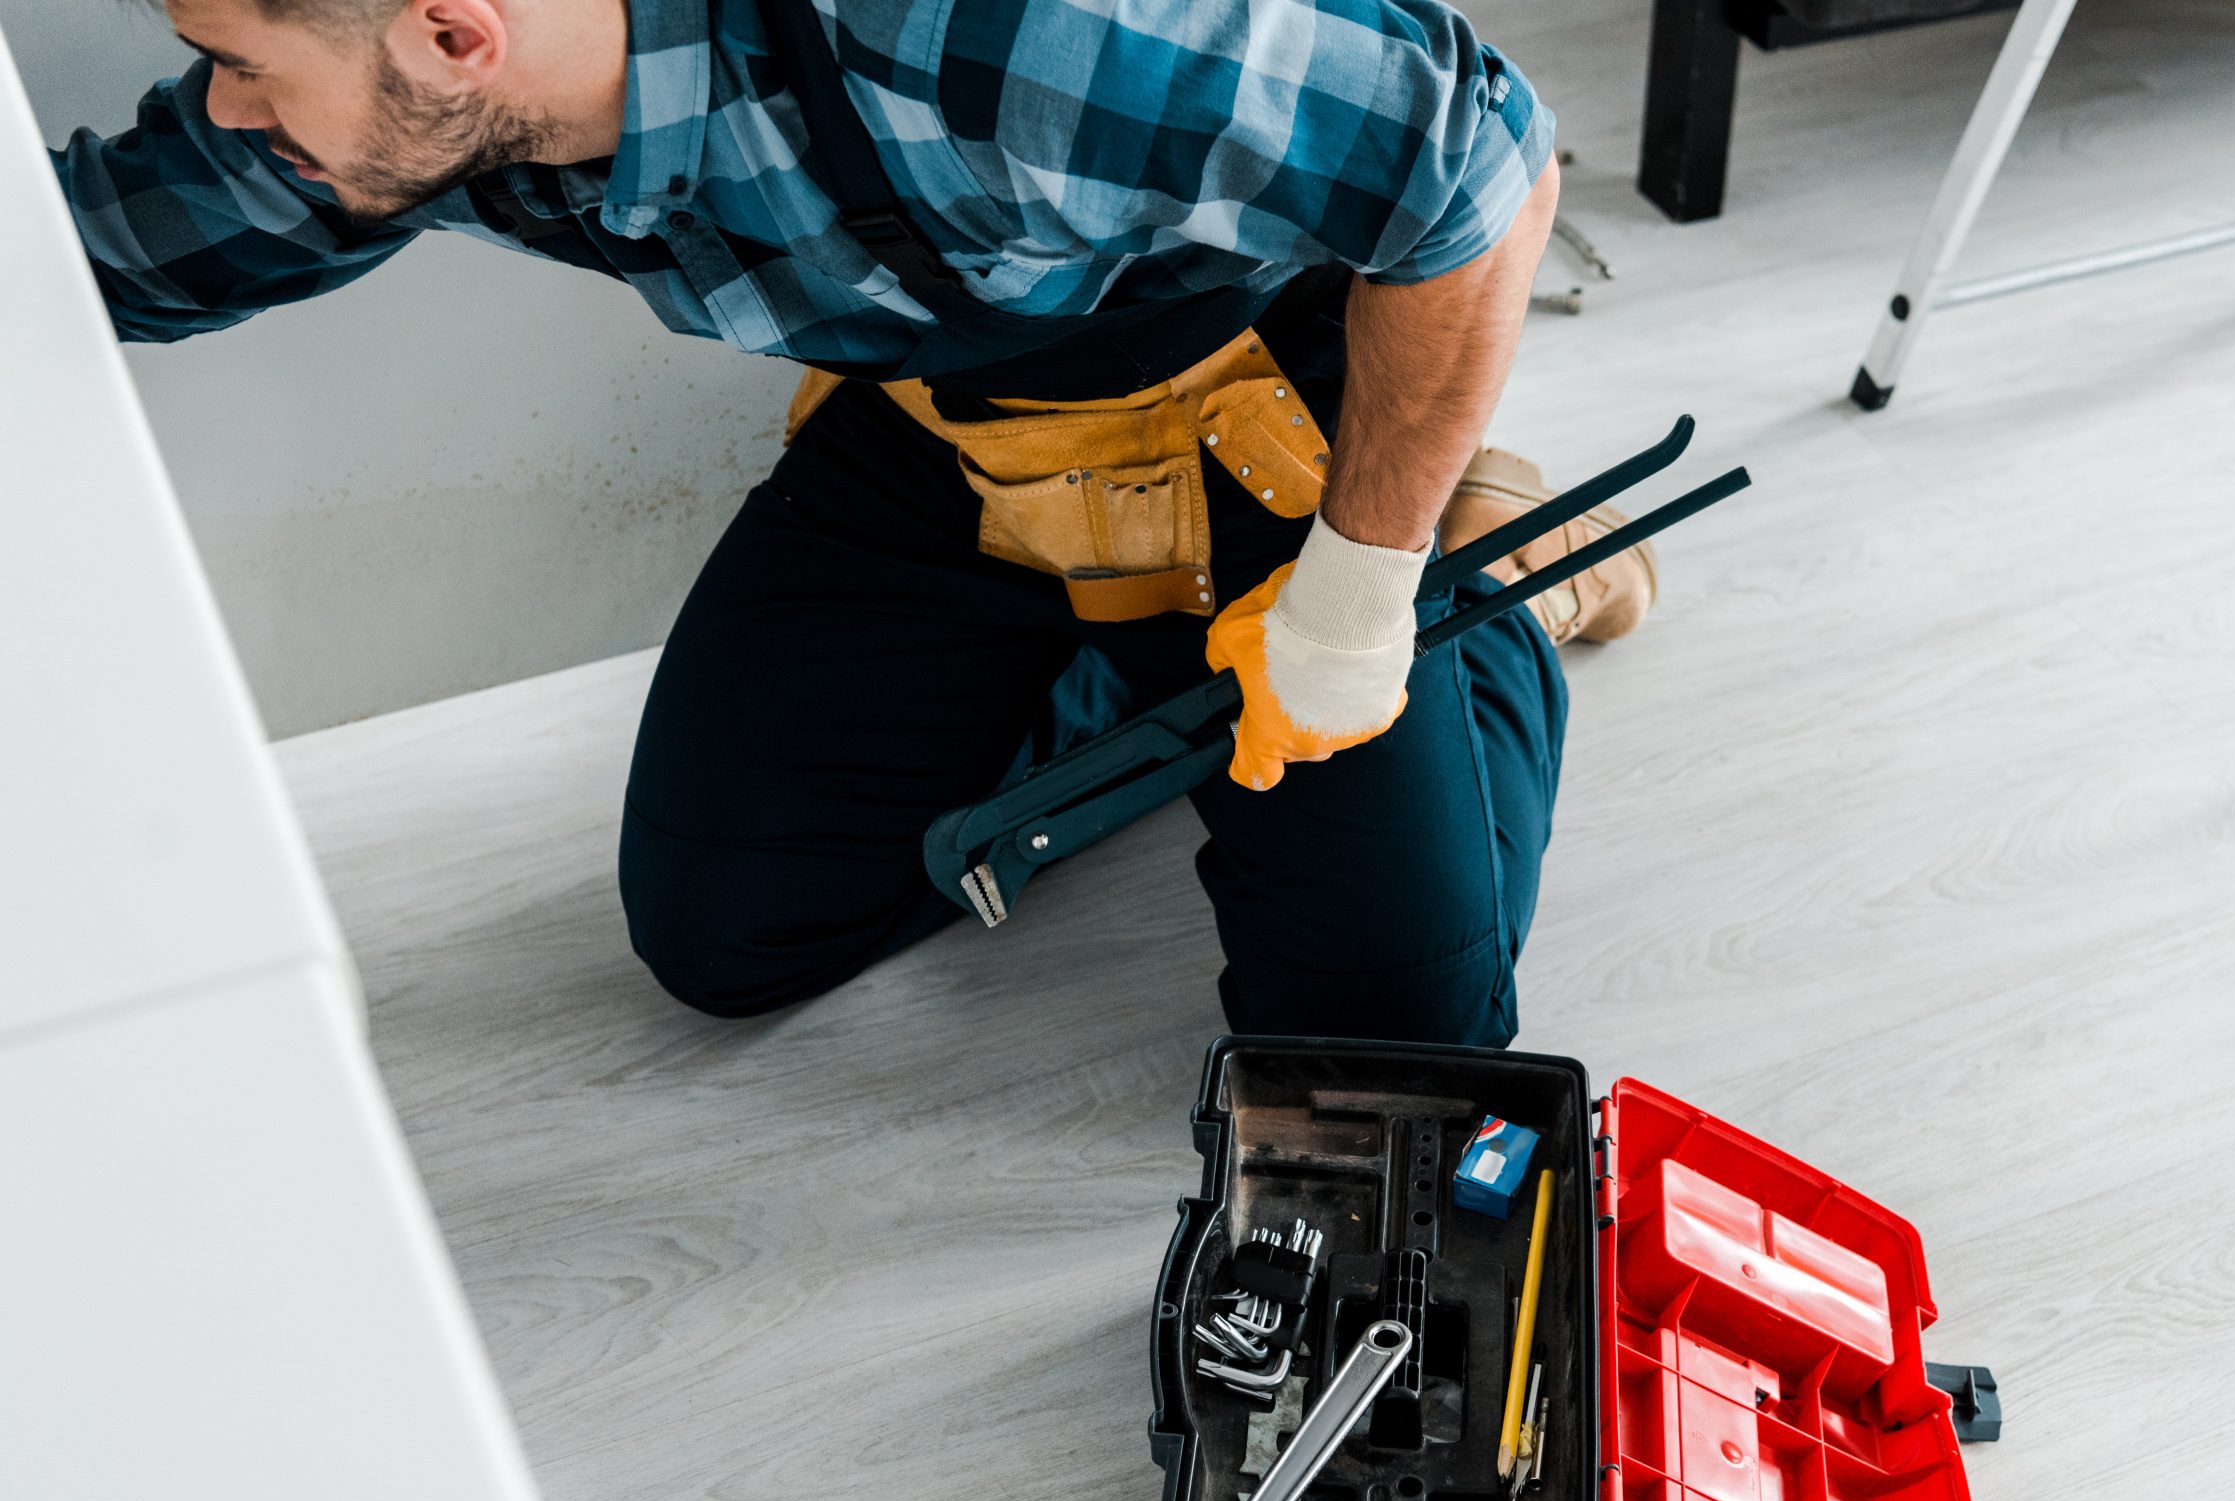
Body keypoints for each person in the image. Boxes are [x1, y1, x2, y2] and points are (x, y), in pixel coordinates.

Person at [53, 0, 1655, 1047]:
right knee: (725, 930)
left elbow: (1479, 164)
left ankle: (1487, 575)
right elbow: (117, 246)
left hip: (1264, 412)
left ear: (456, 34)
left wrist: (1362, 589)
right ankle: (1147, 675)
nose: (217, 101)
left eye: (242, 63)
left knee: (1387, 1053)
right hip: (944, 430)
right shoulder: (431, 102)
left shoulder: (989, 31)